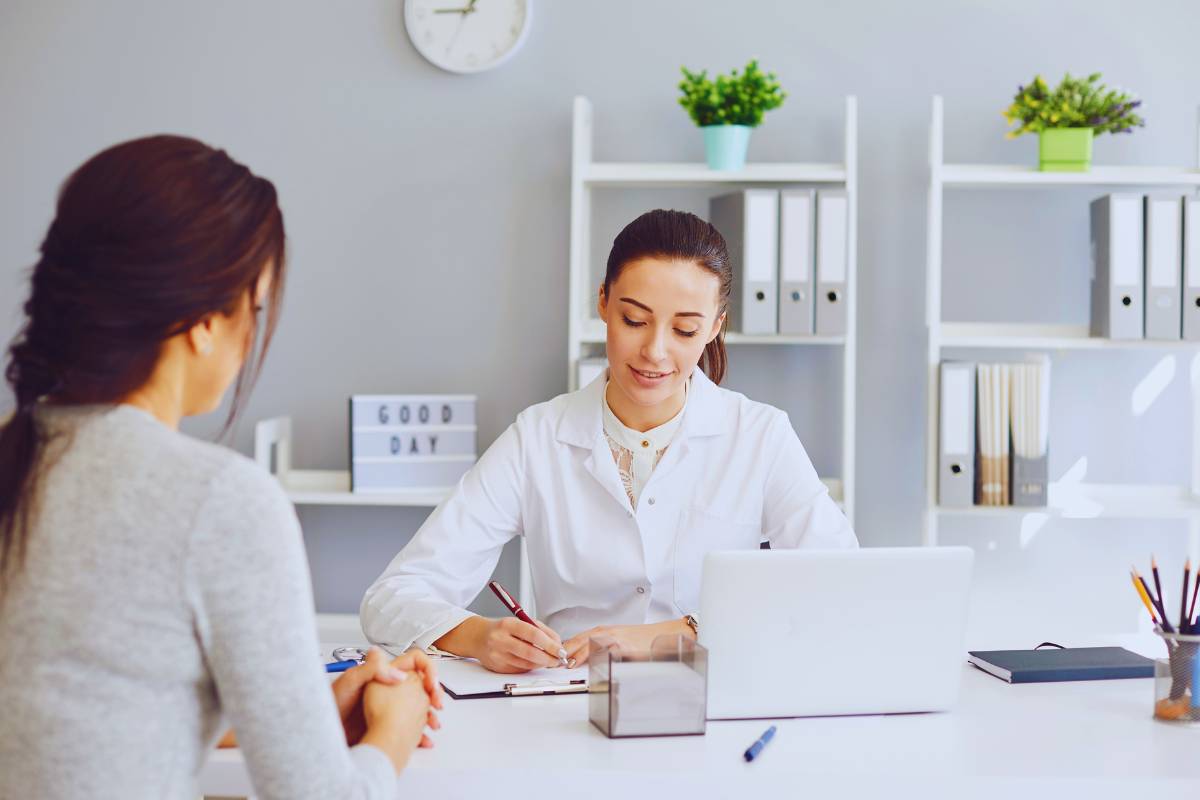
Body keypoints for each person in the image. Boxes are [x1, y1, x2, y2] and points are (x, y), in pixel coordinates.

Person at [0, 135, 441, 799]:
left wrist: (307, 709)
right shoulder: (216, 500)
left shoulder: (17, 456)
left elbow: (86, 719)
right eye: (253, 308)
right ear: (205, 321)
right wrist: (393, 734)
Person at [361, 209, 857, 673]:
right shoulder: (537, 439)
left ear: (714, 327)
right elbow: (393, 597)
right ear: (603, 301)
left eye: (685, 330)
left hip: (714, 702)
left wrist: (675, 633)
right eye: (634, 320)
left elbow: (840, 583)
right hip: (569, 706)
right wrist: (475, 635)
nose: (655, 351)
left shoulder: (760, 436)